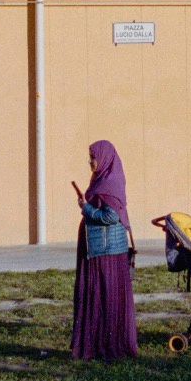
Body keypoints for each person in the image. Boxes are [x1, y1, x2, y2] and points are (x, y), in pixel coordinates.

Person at [72, 139, 138, 361]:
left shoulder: (110, 183)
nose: (90, 161)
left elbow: (111, 216)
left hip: (106, 252)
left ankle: (106, 346)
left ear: (105, 158)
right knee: (99, 295)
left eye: (93, 157)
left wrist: (85, 208)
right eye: (90, 157)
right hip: (99, 249)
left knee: (104, 295)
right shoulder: (100, 180)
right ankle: (97, 344)